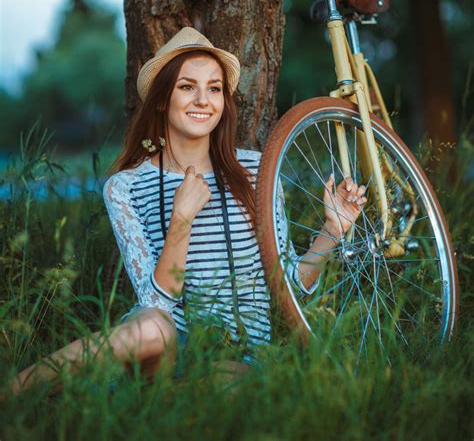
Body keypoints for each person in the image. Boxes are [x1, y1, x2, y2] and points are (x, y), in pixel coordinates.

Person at [10, 27, 367, 394]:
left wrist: (333, 230)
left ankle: (132, 403)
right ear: (163, 99)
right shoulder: (125, 187)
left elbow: (289, 284)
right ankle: (14, 393)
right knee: (153, 326)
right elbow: (156, 303)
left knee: (228, 383)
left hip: (239, 354)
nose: (203, 100)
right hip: (163, 350)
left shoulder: (258, 171)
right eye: (187, 86)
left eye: (214, 88)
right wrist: (181, 219)